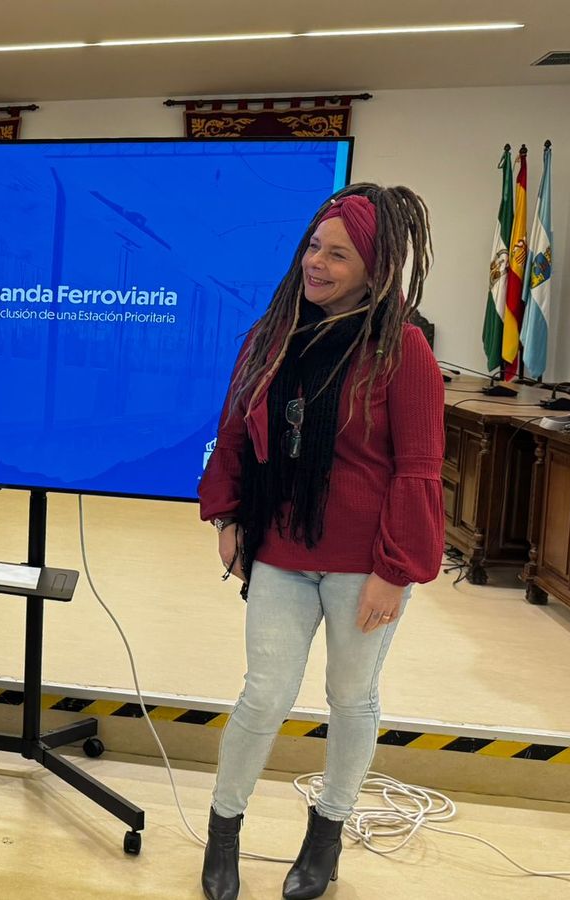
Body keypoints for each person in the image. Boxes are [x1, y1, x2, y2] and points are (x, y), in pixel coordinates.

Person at [195, 184, 444, 900]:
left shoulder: (404, 350)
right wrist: (229, 517)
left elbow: (418, 468)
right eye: (313, 247)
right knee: (263, 696)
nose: (318, 263)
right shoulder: (270, 336)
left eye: (339, 254)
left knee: (351, 696)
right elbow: (238, 431)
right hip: (280, 552)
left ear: (375, 266)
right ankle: (223, 830)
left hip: (364, 564)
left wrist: (395, 571)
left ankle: (327, 835)